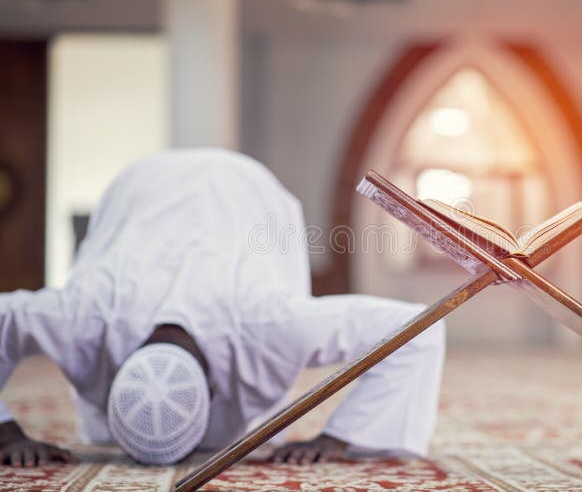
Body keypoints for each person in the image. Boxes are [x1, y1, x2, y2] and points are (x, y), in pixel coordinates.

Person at [0, 149, 445, 467]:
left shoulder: (270, 322)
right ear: (116, 367)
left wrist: (341, 437)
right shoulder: (84, 317)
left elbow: (415, 328)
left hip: (244, 188)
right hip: (138, 188)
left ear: (214, 388)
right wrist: (5, 431)